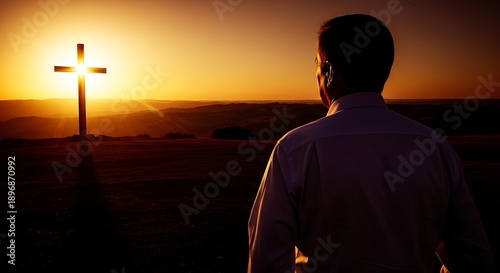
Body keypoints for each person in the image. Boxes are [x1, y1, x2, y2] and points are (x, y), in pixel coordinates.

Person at [247, 14, 496, 273]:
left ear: (329, 71)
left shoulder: (294, 149)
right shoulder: (436, 149)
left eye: (317, 63)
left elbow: (266, 262)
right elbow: (473, 261)